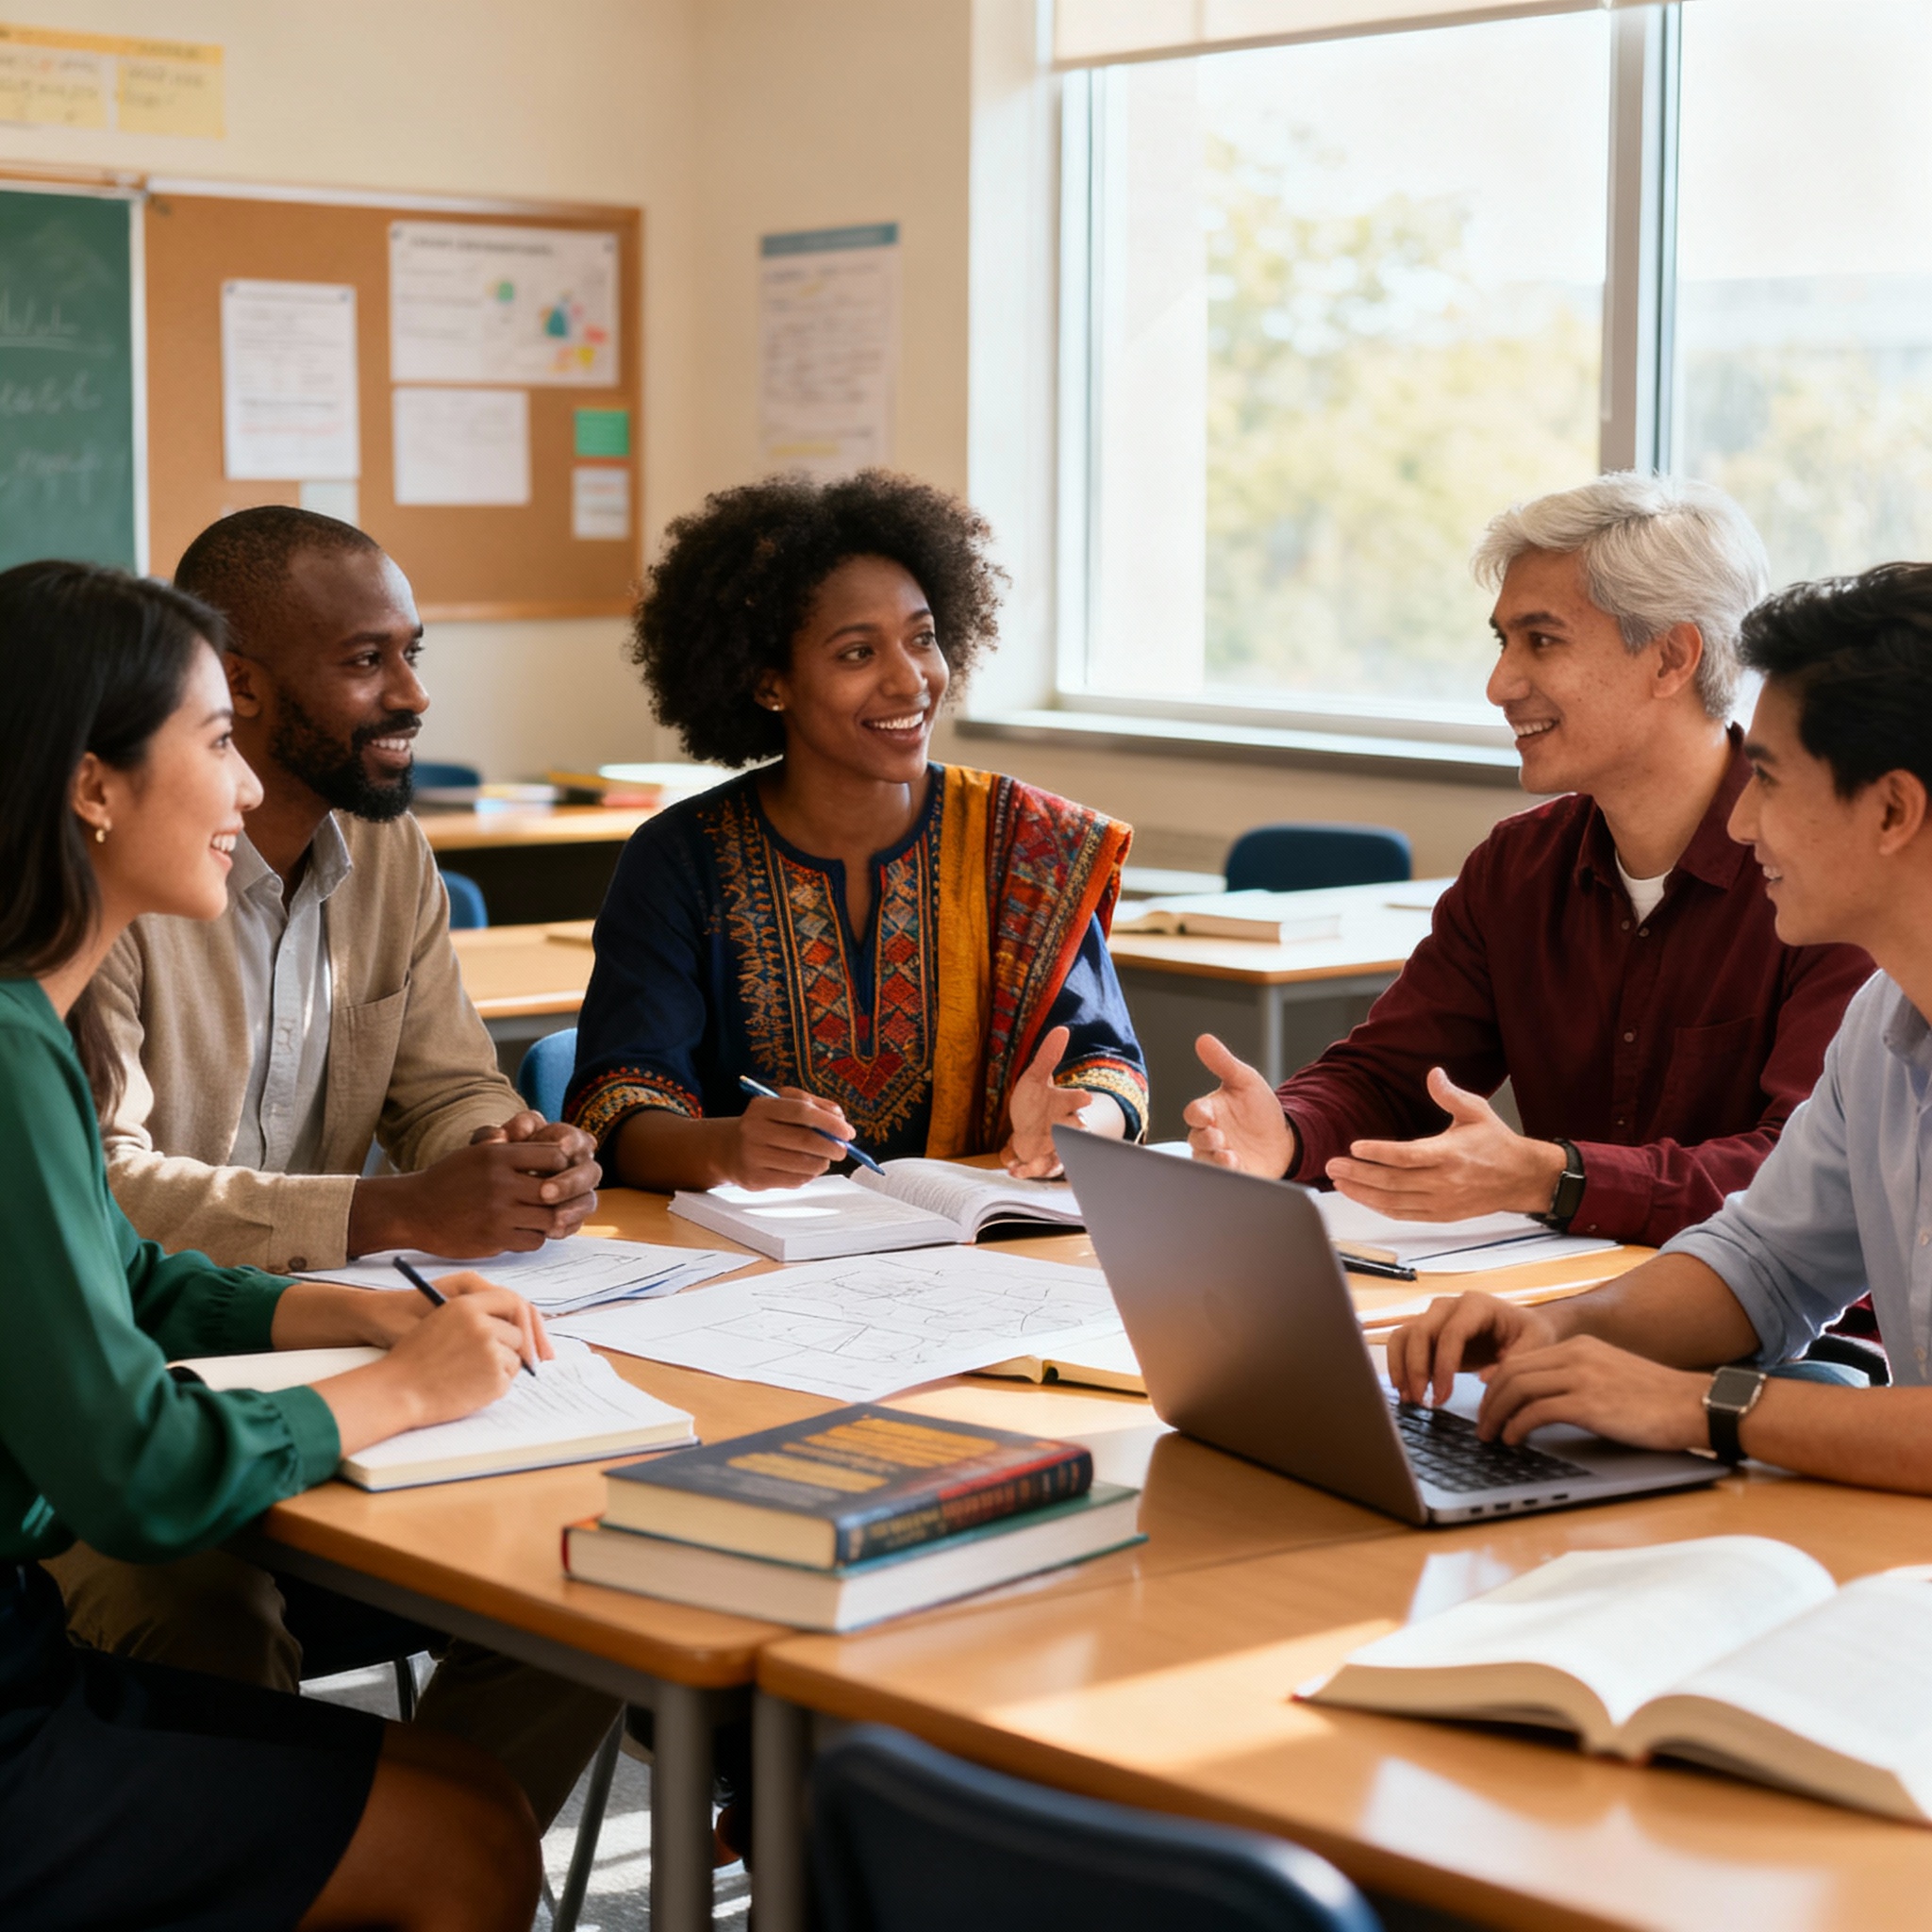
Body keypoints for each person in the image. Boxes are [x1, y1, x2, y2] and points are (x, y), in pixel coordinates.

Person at [47, 506, 618, 1833]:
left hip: (313, 1361)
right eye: (368, 661)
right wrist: (380, 1217)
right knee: (202, 1606)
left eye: (412, 652)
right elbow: (104, 1205)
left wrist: (504, 1155)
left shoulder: (394, 854)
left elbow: (447, 1080)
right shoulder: (111, 881)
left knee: (590, 1564)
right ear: (236, 686)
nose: (412, 693)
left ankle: (418, 1862)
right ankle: (307, 1864)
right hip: (116, 1411)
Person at [1185, 474, 1871, 1246]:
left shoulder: (1825, 875)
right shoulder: (1518, 867)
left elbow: (1809, 1172)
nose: (1499, 684)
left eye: (1542, 641)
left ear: (1673, 658)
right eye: (1503, 641)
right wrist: (1287, 1131)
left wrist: (1555, 1177)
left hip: (1790, 1336)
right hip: (1573, 1304)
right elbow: (1389, 1077)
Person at [1387, 562, 1932, 1490]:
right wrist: (1561, 1329)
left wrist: (1695, 1406)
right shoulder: (1885, 1016)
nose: (1744, 819)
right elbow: (1762, 1260)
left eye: (1764, 778)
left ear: (1890, 808)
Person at [567, 470, 1148, 1190]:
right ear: (767, 681)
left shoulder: (1025, 843)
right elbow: (617, 1102)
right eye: (857, 652)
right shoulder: (680, 860)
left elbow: (1108, 1067)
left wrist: (1080, 1126)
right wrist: (727, 1149)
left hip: (988, 1255)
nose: (910, 682)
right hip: (747, 1271)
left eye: (922, 638)